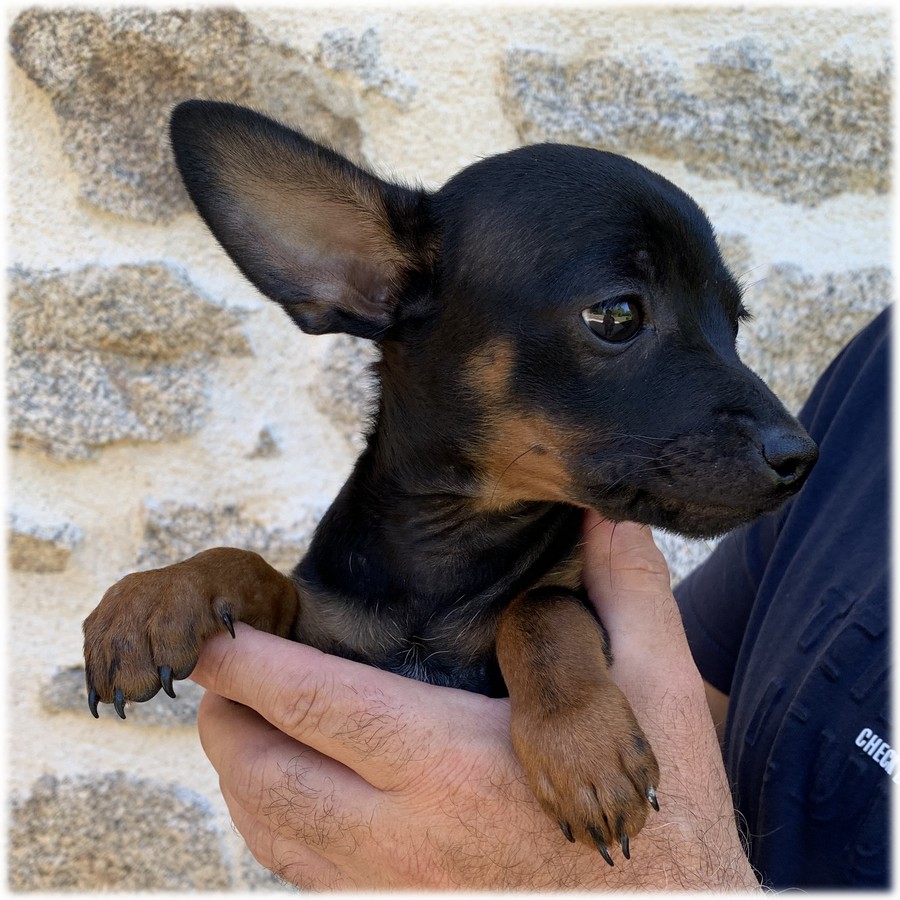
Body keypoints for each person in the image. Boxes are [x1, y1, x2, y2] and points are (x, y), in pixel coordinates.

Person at [190, 308, 889, 890]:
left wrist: (661, 883)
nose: (783, 442)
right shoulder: (882, 371)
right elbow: (684, 693)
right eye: (616, 320)